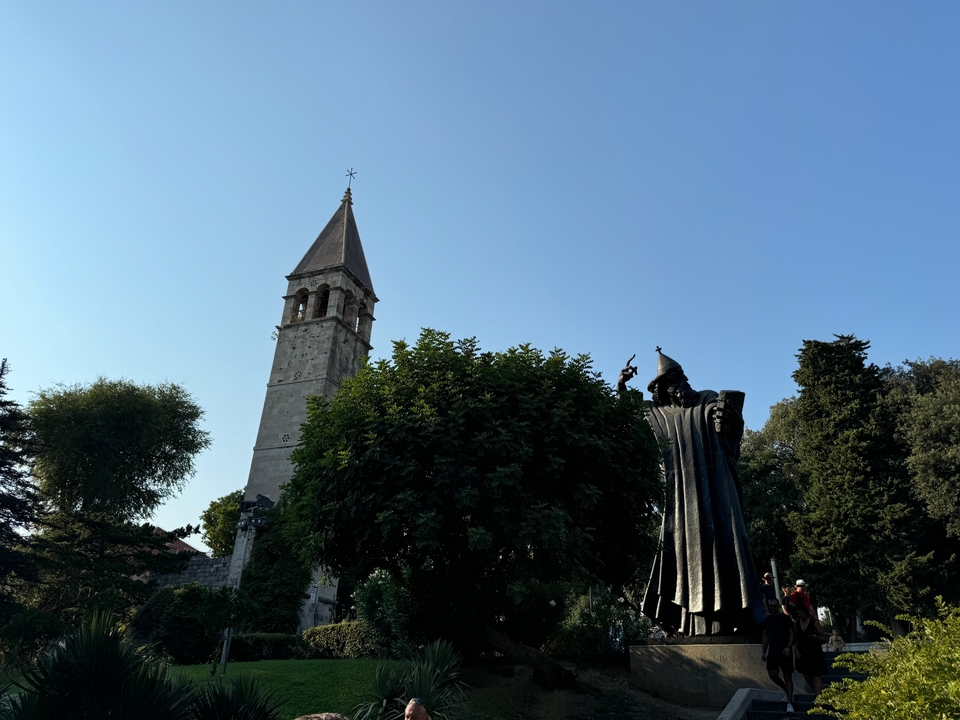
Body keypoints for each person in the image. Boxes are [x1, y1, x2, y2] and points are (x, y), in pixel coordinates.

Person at [634, 349, 766, 635]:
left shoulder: (706, 399)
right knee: (682, 556)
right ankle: (688, 625)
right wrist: (621, 387)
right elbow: (630, 415)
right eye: (673, 380)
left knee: (726, 548)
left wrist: (729, 421)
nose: (681, 383)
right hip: (681, 503)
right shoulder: (659, 415)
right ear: (662, 388)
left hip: (718, 495)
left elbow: (725, 421)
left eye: (682, 377)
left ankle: (735, 619)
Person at [761, 603, 797, 714]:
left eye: (774, 606)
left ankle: (789, 703)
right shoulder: (767, 620)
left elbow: (792, 634)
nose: (772, 608)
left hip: (785, 650)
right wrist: (763, 651)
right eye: (770, 606)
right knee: (772, 674)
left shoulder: (785, 618)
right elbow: (765, 636)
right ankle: (786, 690)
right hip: (773, 651)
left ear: (778, 606)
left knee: (787, 675)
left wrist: (789, 647)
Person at [794, 606, 829, 696]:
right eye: (798, 614)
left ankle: (819, 699)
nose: (799, 615)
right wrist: (796, 651)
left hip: (814, 651)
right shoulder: (797, 623)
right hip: (803, 652)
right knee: (806, 675)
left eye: (801, 613)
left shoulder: (814, 622)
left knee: (815, 675)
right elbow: (796, 639)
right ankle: (819, 693)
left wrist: (816, 637)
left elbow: (824, 638)